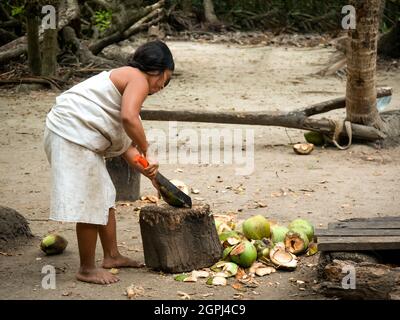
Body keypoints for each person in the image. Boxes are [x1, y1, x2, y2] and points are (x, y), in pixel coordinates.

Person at [43, 40, 174, 285]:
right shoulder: (138, 79)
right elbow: (129, 118)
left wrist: (155, 178)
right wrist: (149, 148)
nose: (162, 87)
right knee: (91, 202)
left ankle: (112, 256)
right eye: (165, 79)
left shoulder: (127, 82)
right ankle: (86, 268)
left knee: (104, 195)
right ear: (158, 69)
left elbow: (126, 148)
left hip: (70, 134)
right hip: (70, 135)